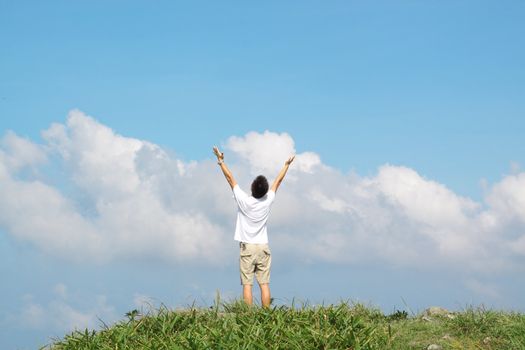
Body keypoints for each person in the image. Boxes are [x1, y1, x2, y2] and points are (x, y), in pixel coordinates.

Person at [213, 146, 294, 307]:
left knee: (247, 284)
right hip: (263, 246)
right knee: (264, 284)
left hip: (248, 247)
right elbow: (278, 181)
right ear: (265, 191)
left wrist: (221, 161)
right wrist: (286, 165)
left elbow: (230, 178)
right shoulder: (268, 200)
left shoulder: (244, 200)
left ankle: (248, 317)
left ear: (252, 188)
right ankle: (266, 315)